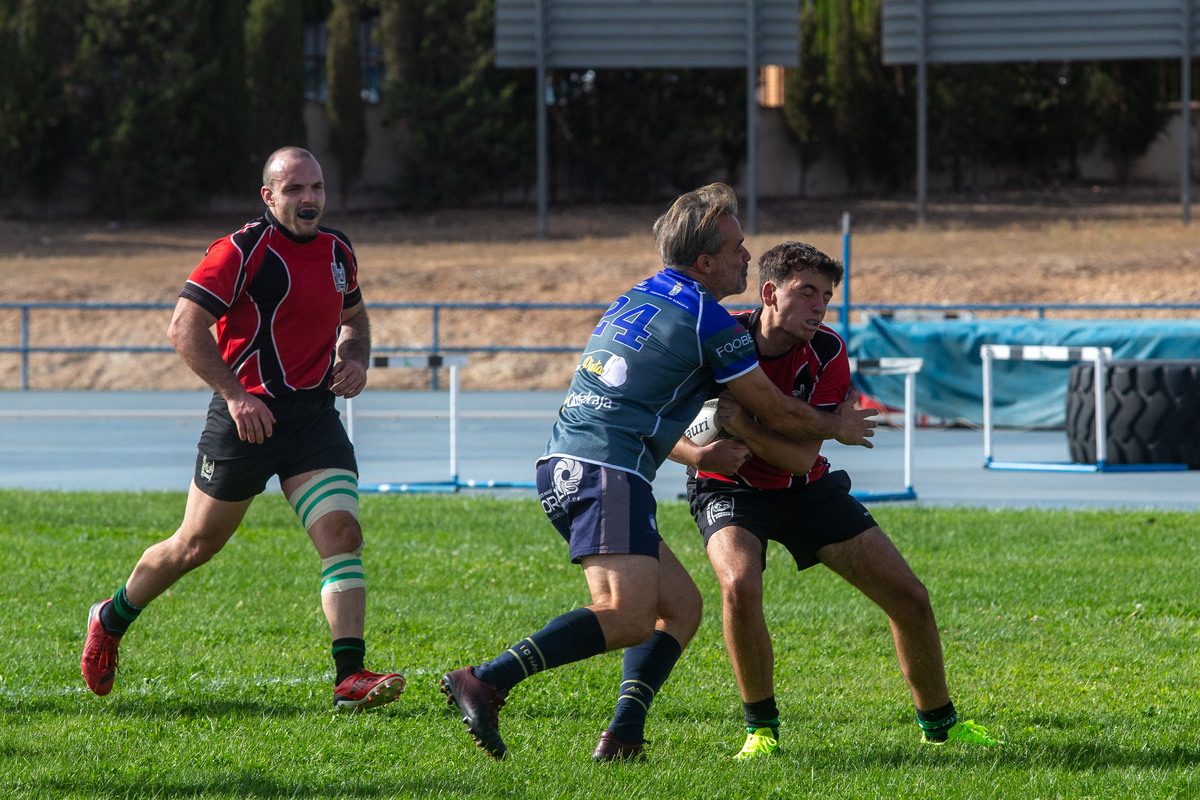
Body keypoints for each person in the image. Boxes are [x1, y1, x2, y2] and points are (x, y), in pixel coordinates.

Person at [439, 184, 878, 761]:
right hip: (605, 471)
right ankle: (487, 680)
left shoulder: (640, 294)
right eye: (737, 247)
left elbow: (642, 399)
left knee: (682, 607)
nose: (747, 256)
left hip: (571, 463)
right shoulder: (709, 321)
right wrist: (835, 426)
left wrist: (697, 455)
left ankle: (623, 737)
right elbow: (773, 410)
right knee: (625, 615)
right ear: (705, 262)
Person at [80, 146, 404, 711]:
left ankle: (349, 677)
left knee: (342, 537)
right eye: (296, 189)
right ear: (269, 195)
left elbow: (354, 318)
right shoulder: (240, 250)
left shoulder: (338, 250)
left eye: (318, 189)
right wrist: (235, 396)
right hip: (245, 420)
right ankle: (111, 617)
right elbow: (184, 327)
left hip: (311, 418)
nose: (309, 200)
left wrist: (355, 359)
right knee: (195, 545)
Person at [672, 240, 998, 760]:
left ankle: (940, 725)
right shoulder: (717, 336)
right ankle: (762, 730)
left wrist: (739, 425)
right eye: (806, 293)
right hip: (728, 488)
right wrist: (699, 455)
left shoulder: (828, 349)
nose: (819, 306)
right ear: (770, 292)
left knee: (910, 597)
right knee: (738, 583)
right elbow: (657, 429)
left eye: (826, 295)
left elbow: (800, 460)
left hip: (805, 489)